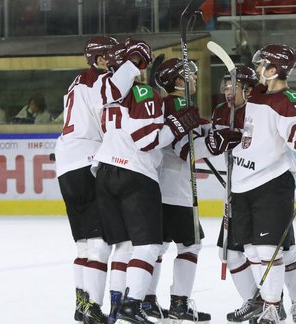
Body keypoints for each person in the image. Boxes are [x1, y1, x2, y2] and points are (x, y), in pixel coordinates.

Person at [214, 44, 296, 324]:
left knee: (271, 251)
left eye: (260, 66)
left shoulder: (286, 100)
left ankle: (276, 305)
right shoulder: (256, 93)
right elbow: (236, 97)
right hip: (241, 185)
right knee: (253, 251)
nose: (256, 70)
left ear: (272, 70)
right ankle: (271, 303)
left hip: (272, 184)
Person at [93, 46, 201, 324]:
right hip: (136, 174)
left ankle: (116, 306)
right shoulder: (146, 94)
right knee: (150, 245)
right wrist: (177, 125)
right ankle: (134, 304)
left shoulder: (107, 92)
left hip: (104, 171)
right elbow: (147, 141)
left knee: (125, 246)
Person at [53, 35, 150, 323]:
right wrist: (133, 63)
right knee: (99, 244)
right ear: (96, 59)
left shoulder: (77, 82)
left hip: (67, 163)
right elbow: (112, 91)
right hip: (85, 162)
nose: (113, 61)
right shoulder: (93, 80)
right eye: (109, 56)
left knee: (84, 244)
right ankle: (93, 306)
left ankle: (82, 303)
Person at [144, 57, 238, 323]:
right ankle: (179, 304)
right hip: (176, 189)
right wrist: (215, 143)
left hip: (157, 187)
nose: (196, 80)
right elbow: (185, 149)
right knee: (190, 246)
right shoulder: (181, 103)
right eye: (192, 76)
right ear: (179, 81)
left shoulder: (164, 104)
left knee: (157, 247)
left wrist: (211, 131)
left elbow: (192, 134)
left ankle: (148, 302)